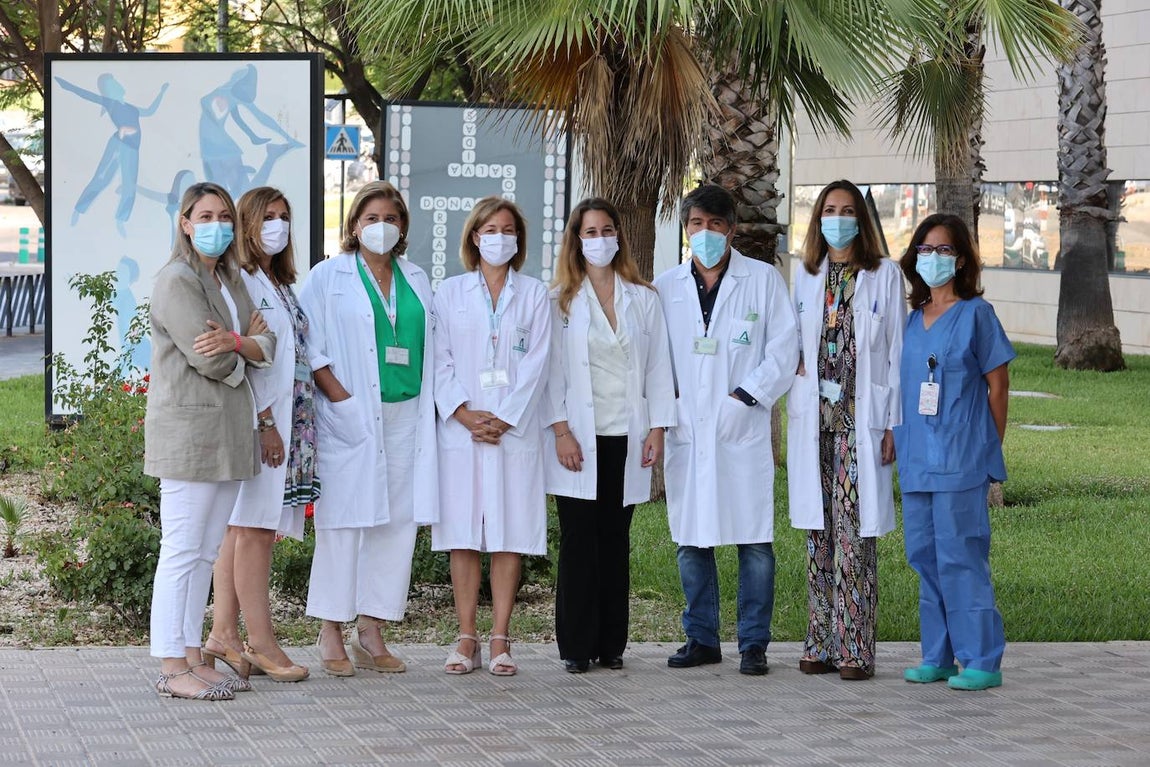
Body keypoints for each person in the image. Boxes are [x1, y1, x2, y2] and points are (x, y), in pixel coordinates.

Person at [653, 184, 798, 676]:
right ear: (686, 229)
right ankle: (701, 637)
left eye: (716, 225)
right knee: (691, 536)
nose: (706, 233)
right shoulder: (666, 286)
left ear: (732, 230)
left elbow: (784, 350)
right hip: (688, 430)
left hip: (743, 425)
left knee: (754, 539)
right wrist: (669, 405)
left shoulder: (761, 281)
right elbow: (657, 360)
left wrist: (746, 397)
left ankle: (753, 643)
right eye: (697, 224)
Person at [298, 181, 437, 677]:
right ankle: (331, 629)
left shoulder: (417, 278)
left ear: (402, 227)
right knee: (344, 521)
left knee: (396, 523)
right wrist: (341, 397)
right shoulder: (327, 276)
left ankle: (372, 628)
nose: (382, 226)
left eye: (392, 218)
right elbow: (305, 341)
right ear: (355, 225)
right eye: (372, 217)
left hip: (408, 415)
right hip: (353, 415)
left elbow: (430, 345)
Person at [145, 181, 275, 700]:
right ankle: (172, 666)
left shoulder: (228, 277)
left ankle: (193, 655)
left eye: (224, 214)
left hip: (227, 433)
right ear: (184, 222)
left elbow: (267, 342)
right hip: (190, 435)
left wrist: (240, 341)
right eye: (205, 214)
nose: (217, 223)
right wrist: (243, 346)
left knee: (204, 553)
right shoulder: (177, 281)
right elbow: (211, 359)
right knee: (180, 551)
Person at [544, 198, 676, 673]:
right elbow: (551, 373)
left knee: (615, 539)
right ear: (575, 241)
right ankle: (577, 647)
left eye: (606, 230)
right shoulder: (558, 299)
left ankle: (610, 644)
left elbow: (659, 367)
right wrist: (560, 430)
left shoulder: (643, 297)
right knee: (579, 540)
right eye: (589, 232)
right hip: (579, 435)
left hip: (627, 432)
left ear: (618, 236)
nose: (599, 240)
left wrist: (657, 428)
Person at [786, 180, 905, 680]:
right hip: (814, 424)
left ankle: (856, 649)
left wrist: (893, 425)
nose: (838, 218)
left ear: (862, 219)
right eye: (829, 210)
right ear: (817, 220)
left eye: (847, 210)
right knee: (818, 535)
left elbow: (897, 353)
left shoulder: (884, 275)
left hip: (861, 423)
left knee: (855, 538)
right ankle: (819, 642)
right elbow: (792, 346)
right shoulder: (804, 275)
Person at [894, 213, 1015, 692]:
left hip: (962, 458)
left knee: (961, 555)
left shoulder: (976, 315)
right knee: (925, 555)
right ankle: (938, 656)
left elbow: (999, 385)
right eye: (924, 249)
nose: (933, 258)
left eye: (943, 250)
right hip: (917, 457)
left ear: (961, 259)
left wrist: (988, 445)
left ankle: (982, 659)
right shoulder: (911, 320)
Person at [432, 196, 551, 676]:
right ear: (474, 237)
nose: (499, 237)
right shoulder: (449, 292)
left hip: (511, 432)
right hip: (463, 432)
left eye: (508, 229)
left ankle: (500, 638)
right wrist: (462, 413)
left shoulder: (535, 293)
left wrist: (504, 416)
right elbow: (438, 359)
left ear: (517, 239)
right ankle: (466, 638)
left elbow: (539, 361)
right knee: (463, 533)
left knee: (508, 534)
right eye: (490, 229)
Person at [204, 187, 318, 683]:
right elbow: (248, 361)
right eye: (267, 217)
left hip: (288, 421)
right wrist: (268, 424)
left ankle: (223, 636)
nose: (278, 225)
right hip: (262, 423)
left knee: (242, 528)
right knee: (254, 531)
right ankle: (262, 643)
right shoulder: (242, 282)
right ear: (247, 225)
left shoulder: (279, 280)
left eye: (284, 216)